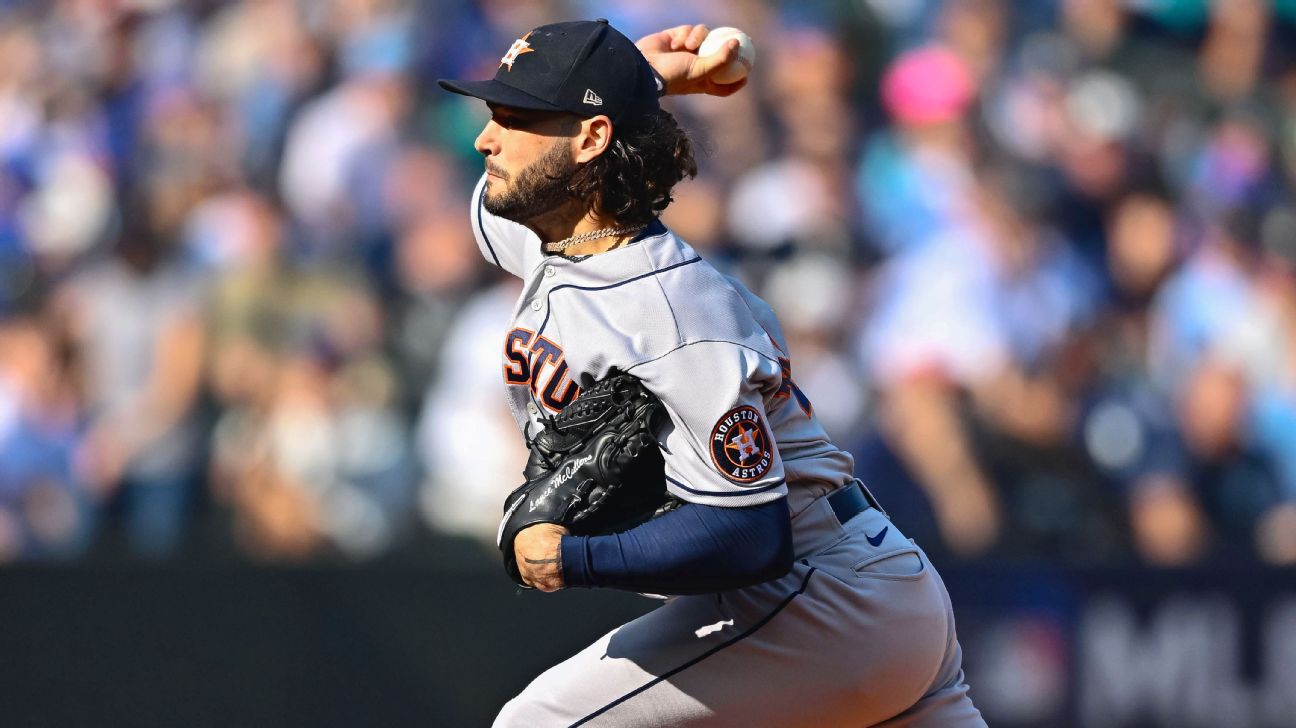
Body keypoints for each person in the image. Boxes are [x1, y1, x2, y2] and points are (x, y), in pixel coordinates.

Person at [438, 19, 985, 727]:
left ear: (591, 139)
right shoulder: (557, 232)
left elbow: (750, 534)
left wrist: (576, 559)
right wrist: (643, 74)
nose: (487, 137)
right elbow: (494, 200)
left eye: (516, 118)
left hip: (817, 597)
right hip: (870, 595)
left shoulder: (673, 313)